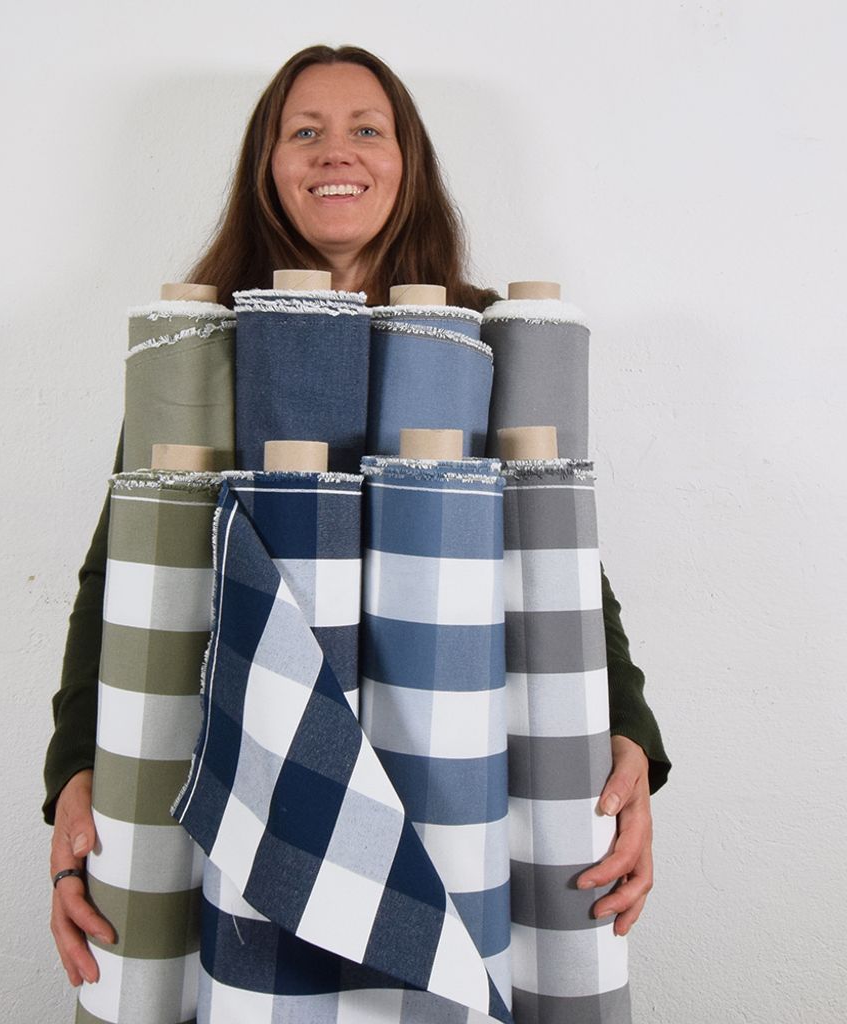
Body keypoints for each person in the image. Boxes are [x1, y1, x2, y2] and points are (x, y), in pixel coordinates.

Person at [44, 44, 671, 988]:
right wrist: (75, 769)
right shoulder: (204, 352)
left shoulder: (483, 340)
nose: (336, 151)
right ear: (269, 168)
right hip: (250, 756)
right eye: (305, 132)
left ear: (405, 163)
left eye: (366, 130)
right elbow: (126, 572)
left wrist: (628, 735)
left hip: (454, 756)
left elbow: (558, 563)